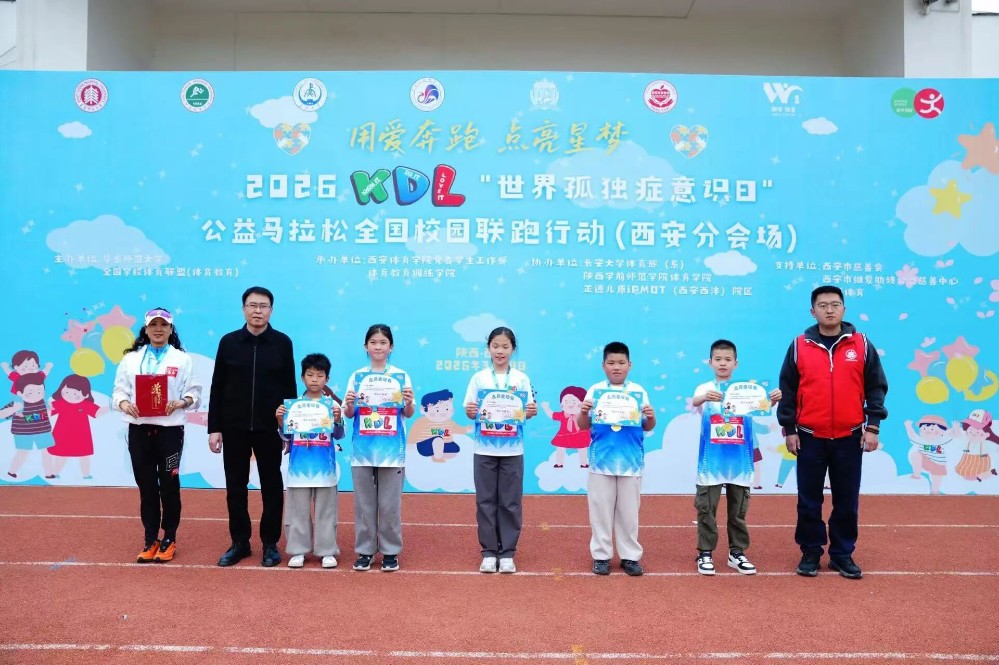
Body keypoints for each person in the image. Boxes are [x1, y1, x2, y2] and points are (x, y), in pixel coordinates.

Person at [778, 286, 888, 580]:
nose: (829, 310)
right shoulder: (799, 345)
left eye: (835, 304)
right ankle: (811, 552)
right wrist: (790, 429)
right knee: (809, 501)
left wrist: (873, 426)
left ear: (844, 309)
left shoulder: (861, 344)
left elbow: (876, 386)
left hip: (849, 437)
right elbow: (788, 389)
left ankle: (841, 554)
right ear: (812, 311)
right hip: (809, 436)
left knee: (846, 500)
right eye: (823, 305)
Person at [208, 287, 296, 568]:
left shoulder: (282, 343)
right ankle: (240, 542)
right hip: (234, 426)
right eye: (252, 305)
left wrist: (288, 429)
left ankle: (270, 543)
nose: (258, 311)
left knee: (272, 485)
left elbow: (290, 388)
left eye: (263, 306)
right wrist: (214, 427)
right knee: (235, 486)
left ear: (271, 310)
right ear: (244, 308)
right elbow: (217, 386)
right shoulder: (229, 342)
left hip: (269, 427)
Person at [111, 308, 202, 563]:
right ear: (146, 329)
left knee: (169, 484)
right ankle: (150, 538)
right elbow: (118, 392)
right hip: (139, 431)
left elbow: (194, 393)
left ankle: (170, 537)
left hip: (170, 432)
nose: (158, 329)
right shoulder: (130, 359)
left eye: (164, 325)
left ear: (171, 329)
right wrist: (124, 404)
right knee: (147, 486)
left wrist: (182, 402)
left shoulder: (182, 359)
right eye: (153, 325)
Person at [691, 339, 780, 576]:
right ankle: (705, 553)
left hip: (740, 462)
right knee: (706, 509)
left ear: (736, 363)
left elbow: (763, 408)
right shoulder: (704, 388)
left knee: (738, 511)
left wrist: (772, 400)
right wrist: (704, 398)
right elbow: (695, 403)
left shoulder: (746, 390)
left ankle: (737, 553)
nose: (723, 363)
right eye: (718, 359)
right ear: (710, 362)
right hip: (711, 463)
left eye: (727, 359)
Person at [463, 327, 538, 574]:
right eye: (495, 346)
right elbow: (470, 410)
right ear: (488, 348)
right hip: (484, 449)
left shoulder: (521, 379)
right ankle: (488, 552)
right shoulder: (479, 379)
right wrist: (471, 411)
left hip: (512, 450)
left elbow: (528, 410)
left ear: (513, 349)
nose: (500, 351)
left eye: (505, 346)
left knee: (510, 502)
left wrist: (530, 411)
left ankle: (507, 553)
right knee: (485, 501)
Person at [577, 341, 656, 577]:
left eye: (621, 362)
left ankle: (630, 556)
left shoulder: (638, 392)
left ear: (629, 365)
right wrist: (583, 411)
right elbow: (583, 425)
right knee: (600, 511)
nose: (616, 367)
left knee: (629, 513)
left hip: (631, 462)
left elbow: (648, 426)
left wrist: (651, 416)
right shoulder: (595, 391)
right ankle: (601, 556)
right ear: (603, 366)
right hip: (601, 461)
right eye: (611, 363)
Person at [343, 324, 415, 572]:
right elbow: (349, 413)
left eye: (383, 342)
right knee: (364, 504)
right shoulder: (357, 377)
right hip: (362, 451)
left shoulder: (401, 377)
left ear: (391, 347)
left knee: (389, 504)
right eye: (373, 342)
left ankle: (390, 551)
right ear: (366, 346)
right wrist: (349, 404)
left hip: (392, 451)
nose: (378, 347)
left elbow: (408, 413)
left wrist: (408, 402)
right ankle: (365, 551)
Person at [276, 353, 346, 569]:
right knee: (297, 511)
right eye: (310, 375)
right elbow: (286, 436)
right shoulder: (293, 406)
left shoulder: (332, 406)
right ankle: (298, 550)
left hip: (325, 469)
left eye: (320, 375)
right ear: (302, 377)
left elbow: (339, 435)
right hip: (298, 468)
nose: (315, 379)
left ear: (327, 378)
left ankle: (327, 551)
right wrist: (280, 420)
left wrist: (337, 420)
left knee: (326, 511)